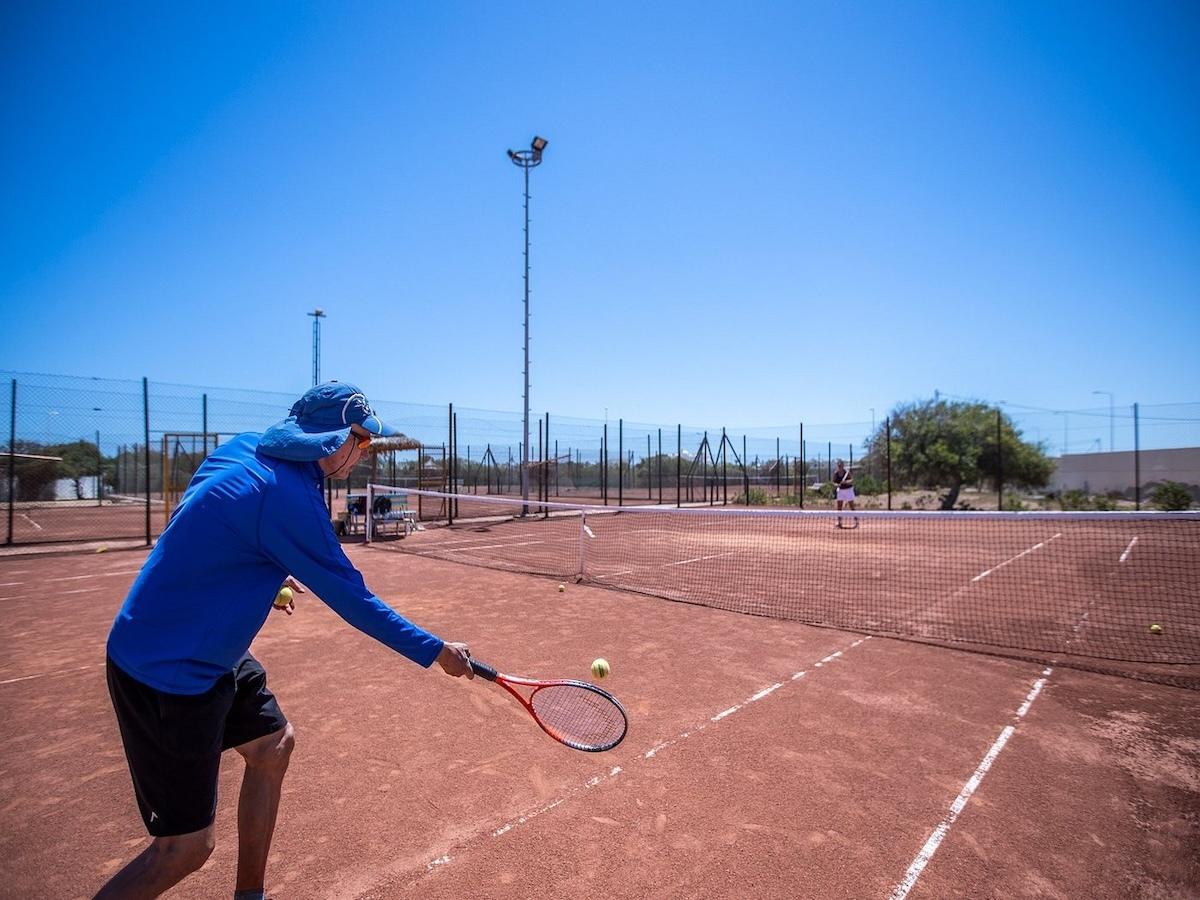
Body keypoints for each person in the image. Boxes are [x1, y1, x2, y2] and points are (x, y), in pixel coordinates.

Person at [98, 382, 473, 900]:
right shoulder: (288, 498)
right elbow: (354, 601)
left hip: (213, 651)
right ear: (333, 439)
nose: (362, 453)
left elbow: (204, 513)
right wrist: (436, 651)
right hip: (167, 670)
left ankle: (249, 895)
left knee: (273, 746)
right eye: (360, 441)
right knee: (184, 850)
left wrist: (261, 569)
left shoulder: (244, 447)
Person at [832, 459, 859, 528]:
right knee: (839, 507)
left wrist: (846, 482)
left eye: (841, 465)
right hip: (840, 491)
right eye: (839, 465)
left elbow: (852, 480)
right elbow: (834, 482)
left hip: (849, 490)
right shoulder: (836, 473)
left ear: (843, 465)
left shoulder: (847, 472)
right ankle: (839, 523)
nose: (840, 466)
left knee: (851, 506)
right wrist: (836, 485)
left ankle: (856, 522)